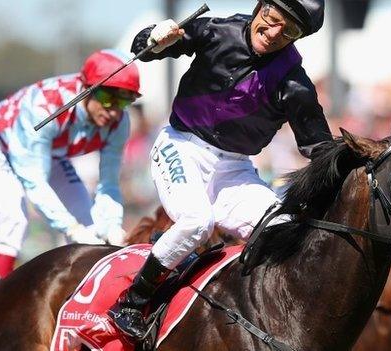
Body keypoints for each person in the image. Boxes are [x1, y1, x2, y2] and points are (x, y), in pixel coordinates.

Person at [109, 0, 331, 340]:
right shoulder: (217, 30)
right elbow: (143, 49)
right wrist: (155, 36)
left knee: (283, 227)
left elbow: (321, 150)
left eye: (289, 32)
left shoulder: (295, 84)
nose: (273, 34)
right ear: (260, 7)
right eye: (271, 19)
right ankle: (132, 302)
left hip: (234, 169)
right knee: (196, 222)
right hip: (181, 145)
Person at [0, 49, 141, 297]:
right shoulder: (45, 109)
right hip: (0, 144)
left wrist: (112, 226)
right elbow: (35, 184)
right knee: (13, 219)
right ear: (86, 89)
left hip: (50, 152)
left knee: (90, 223)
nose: (115, 112)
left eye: (124, 101)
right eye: (108, 98)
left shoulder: (119, 124)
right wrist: (72, 229)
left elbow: (109, 183)